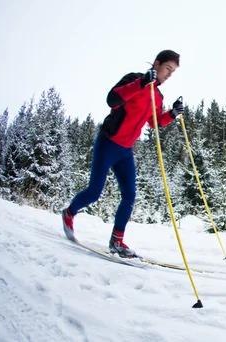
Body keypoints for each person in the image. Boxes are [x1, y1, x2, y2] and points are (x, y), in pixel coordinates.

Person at [61, 50, 184, 257]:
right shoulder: (134, 79)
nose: (169, 75)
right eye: (167, 69)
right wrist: (142, 83)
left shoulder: (157, 96)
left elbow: (154, 122)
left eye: (173, 72)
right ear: (157, 63)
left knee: (129, 196)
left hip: (126, 151)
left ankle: (117, 241)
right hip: (108, 144)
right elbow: (112, 100)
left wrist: (171, 114)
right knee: (94, 192)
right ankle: (69, 212)